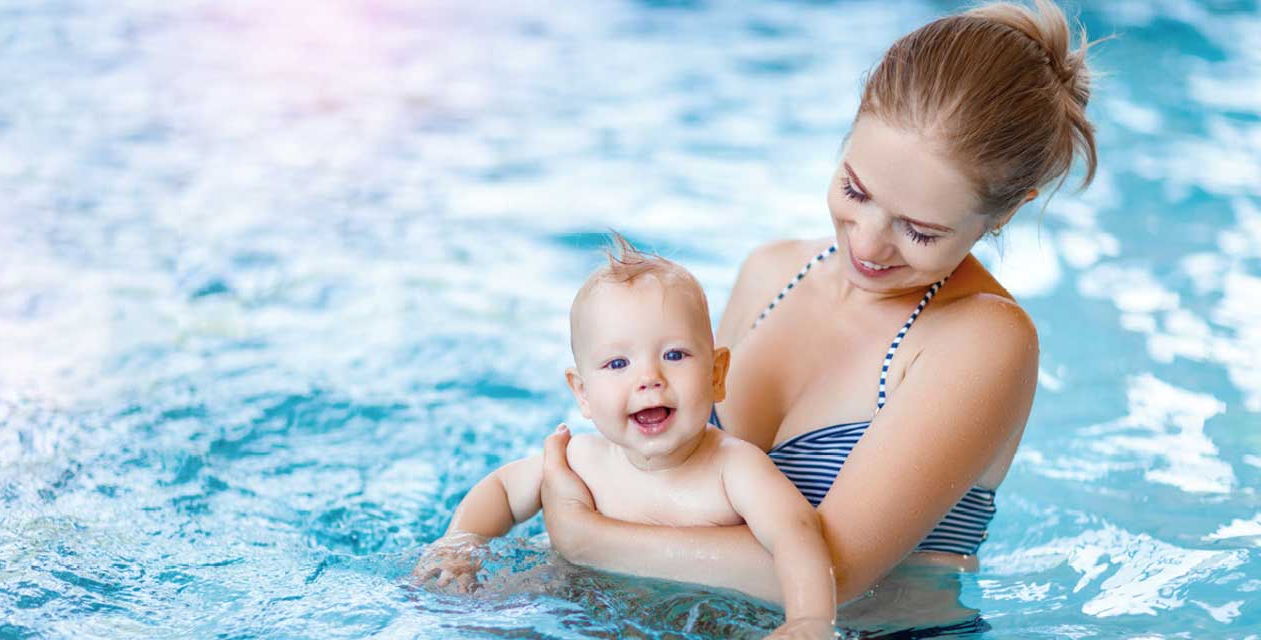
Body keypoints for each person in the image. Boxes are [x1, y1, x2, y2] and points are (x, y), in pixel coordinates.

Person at [536, 0, 1099, 612]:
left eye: (920, 231)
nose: (868, 243)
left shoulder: (982, 339)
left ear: (1006, 212)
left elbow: (834, 574)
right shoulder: (770, 272)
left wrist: (586, 538)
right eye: (855, 189)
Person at [411, 236, 837, 637]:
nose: (648, 377)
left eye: (674, 354)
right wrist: (459, 545)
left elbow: (796, 535)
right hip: (563, 609)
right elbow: (503, 490)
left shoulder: (735, 469)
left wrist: (809, 621)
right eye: (618, 364)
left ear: (716, 375)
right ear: (582, 392)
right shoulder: (580, 461)